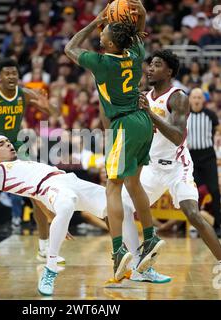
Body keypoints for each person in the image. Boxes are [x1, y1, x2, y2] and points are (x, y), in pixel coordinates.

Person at [65, 0, 165, 280]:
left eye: (104, 34)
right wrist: (142, 15)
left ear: (109, 45)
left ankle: (119, 250)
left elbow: (69, 48)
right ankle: (150, 237)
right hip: (143, 122)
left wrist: (92, 21)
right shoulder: (134, 53)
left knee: (113, 187)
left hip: (124, 125)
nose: (100, 34)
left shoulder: (102, 62)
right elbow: (138, 33)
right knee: (133, 183)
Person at [0, 134, 107, 296]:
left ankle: (131, 259)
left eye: (8, 141)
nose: (8, 144)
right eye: (2, 144)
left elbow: (39, 200)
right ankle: (48, 268)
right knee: (67, 207)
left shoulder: (24, 162)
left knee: (118, 205)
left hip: (67, 179)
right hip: (55, 188)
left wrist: (56, 220)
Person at [121, 50, 221, 283]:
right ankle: (139, 265)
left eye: (157, 65)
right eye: (150, 65)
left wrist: (149, 113)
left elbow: (177, 136)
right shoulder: (144, 96)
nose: (150, 69)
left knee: (192, 214)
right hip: (152, 167)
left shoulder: (178, 97)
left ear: (169, 71)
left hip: (178, 166)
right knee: (120, 207)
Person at [0, 58, 64, 266]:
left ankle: (44, 248)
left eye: (14, 73)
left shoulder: (24, 94)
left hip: (15, 145)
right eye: (7, 73)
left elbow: (55, 115)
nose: (11, 76)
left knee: (36, 193)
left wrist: (49, 106)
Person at [187, 88, 221, 237]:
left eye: (199, 97)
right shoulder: (185, 115)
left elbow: (218, 130)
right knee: (193, 193)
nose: (196, 100)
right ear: (189, 99)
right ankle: (195, 225)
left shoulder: (211, 115)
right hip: (191, 158)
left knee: (214, 191)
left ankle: (218, 225)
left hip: (208, 157)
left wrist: (218, 136)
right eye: (194, 97)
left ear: (203, 100)